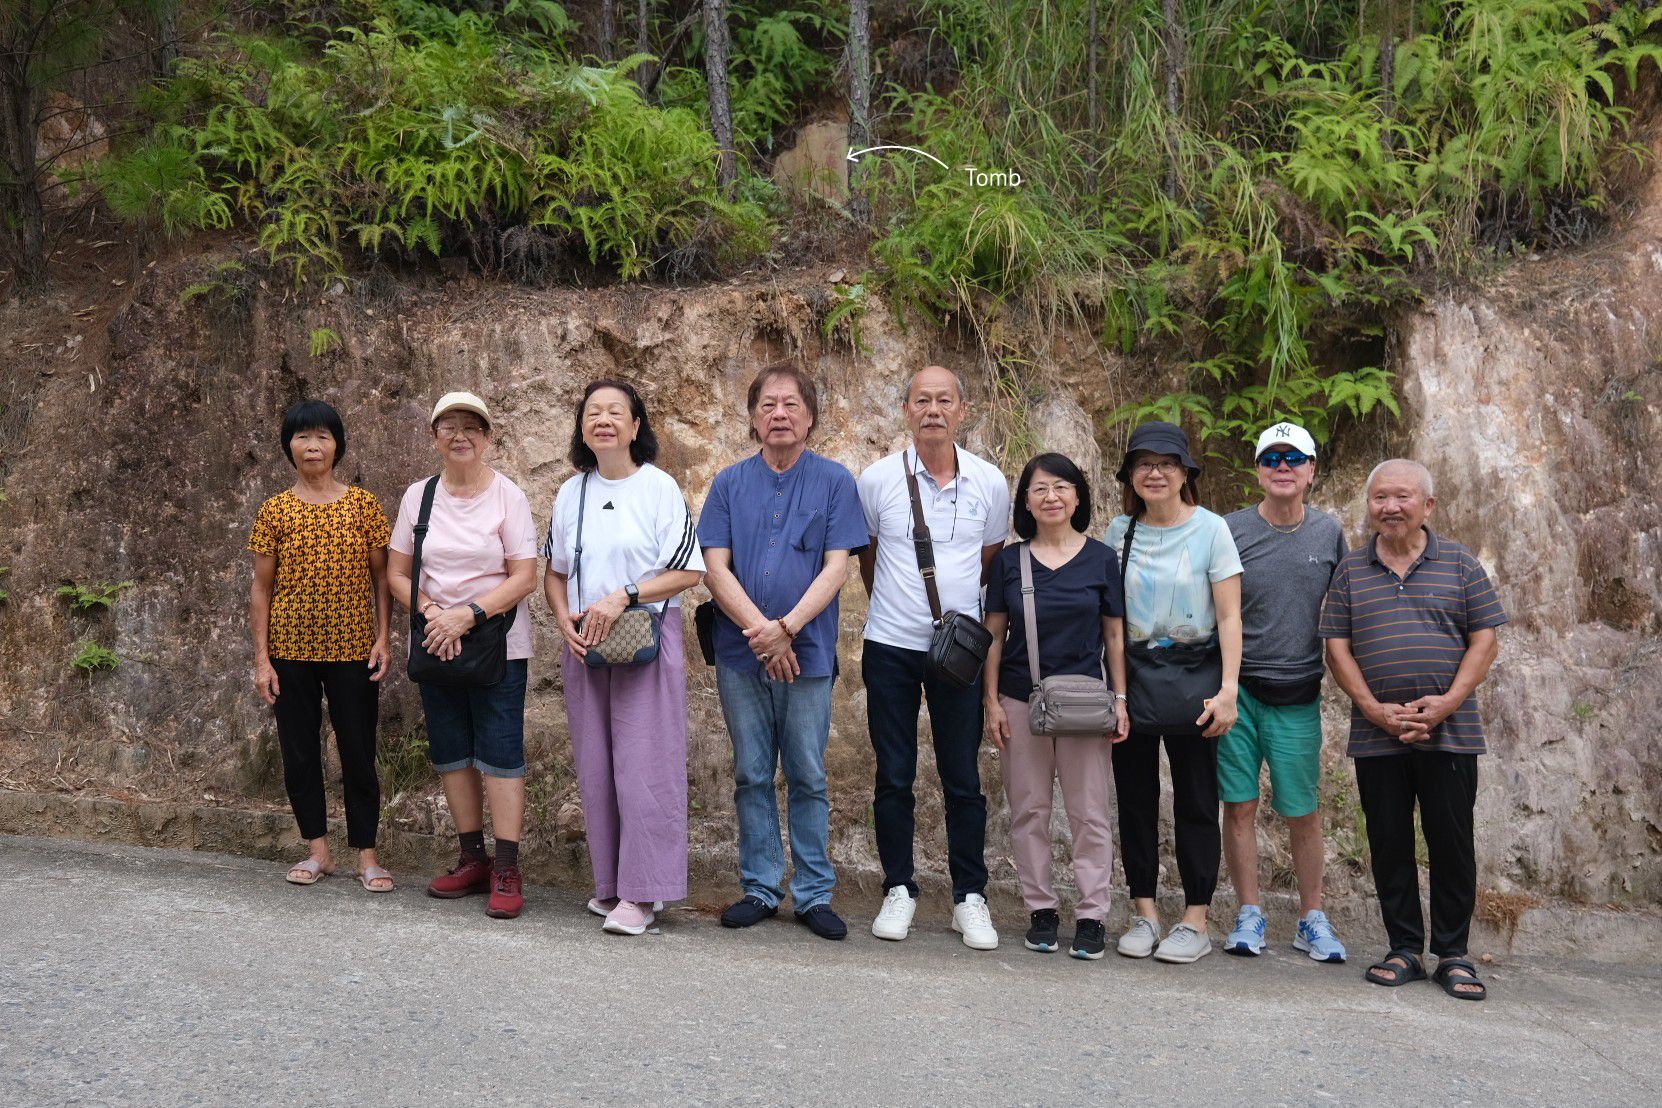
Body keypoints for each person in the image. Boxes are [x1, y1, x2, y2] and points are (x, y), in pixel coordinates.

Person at [1321, 459, 1505, 1001]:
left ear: (1428, 505)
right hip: (1377, 733)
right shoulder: (1351, 570)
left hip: (1451, 731)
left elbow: (1485, 640)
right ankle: (1404, 948)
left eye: (1402, 497)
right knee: (1389, 843)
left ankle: (1453, 954)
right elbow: (1337, 647)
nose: (1390, 507)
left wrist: (1447, 702)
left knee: (1452, 843)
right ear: (1369, 505)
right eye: (1379, 497)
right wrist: (1373, 708)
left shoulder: (1461, 564)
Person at [698, 363, 867, 941]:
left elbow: (838, 566)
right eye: (767, 405)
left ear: (810, 416)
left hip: (809, 652)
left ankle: (814, 893)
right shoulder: (727, 484)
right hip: (741, 654)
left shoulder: (835, 481)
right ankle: (761, 887)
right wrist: (762, 634)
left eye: (791, 405)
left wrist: (788, 629)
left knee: (808, 773)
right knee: (750, 772)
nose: (779, 414)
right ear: (751, 417)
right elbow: (714, 569)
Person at [857, 365, 1011, 950]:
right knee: (893, 774)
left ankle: (970, 895)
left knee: (962, 776)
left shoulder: (990, 482)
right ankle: (899, 887)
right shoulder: (877, 481)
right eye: (922, 400)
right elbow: (869, 559)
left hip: (962, 653)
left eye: (945, 400)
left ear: (962, 409)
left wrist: (957, 624)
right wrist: (900, 613)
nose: (933, 410)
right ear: (905, 410)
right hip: (891, 644)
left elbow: (990, 561)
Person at [543, 379, 704, 937]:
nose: (603, 420)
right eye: (593, 412)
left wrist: (626, 594)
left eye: (617, 411)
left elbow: (689, 570)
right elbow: (556, 569)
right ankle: (610, 884)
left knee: (645, 768)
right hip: (586, 641)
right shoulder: (572, 493)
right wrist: (563, 616)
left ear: (637, 426)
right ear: (582, 427)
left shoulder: (660, 488)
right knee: (597, 766)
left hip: (646, 636)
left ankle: (643, 894)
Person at [387, 392, 539, 919]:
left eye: (472, 426)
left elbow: (525, 575)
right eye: (448, 426)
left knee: (500, 754)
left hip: (497, 643)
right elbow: (397, 573)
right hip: (436, 638)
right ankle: (471, 857)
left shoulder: (508, 497)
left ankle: (506, 866)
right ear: (435, 438)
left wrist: (466, 615)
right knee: (452, 750)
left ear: (488, 436)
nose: (460, 435)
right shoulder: (418, 497)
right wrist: (434, 613)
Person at [981, 453, 1129, 960]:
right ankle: (1041, 910)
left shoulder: (1101, 559)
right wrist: (992, 701)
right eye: (1040, 488)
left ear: (1078, 498)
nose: (1052, 497)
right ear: (1025, 501)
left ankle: (1092, 916)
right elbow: (994, 635)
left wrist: (1121, 699)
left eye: (1062, 487)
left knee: (1089, 814)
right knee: (1029, 811)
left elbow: (1114, 634)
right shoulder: (1009, 561)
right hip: (1022, 700)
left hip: (1086, 704)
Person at [1106, 420, 1242, 964]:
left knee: (1196, 801)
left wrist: (1229, 689)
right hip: (1134, 682)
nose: (1155, 472)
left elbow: (1230, 615)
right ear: (1130, 475)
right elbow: (1111, 618)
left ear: (1186, 472)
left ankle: (1196, 918)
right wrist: (1115, 694)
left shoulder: (1212, 530)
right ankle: (1144, 912)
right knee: (1135, 800)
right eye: (1144, 463)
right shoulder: (1120, 531)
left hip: (1197, 682)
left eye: (1167, 463)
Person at [248, 399, 393, 891]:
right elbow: (262, 588)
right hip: (291, 653)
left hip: (354, 649)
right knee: (300, 752)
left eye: (323, 436)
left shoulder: (363, 506)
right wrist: (262, 658)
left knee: (358, 750)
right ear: (289, 446)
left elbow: (382, 579)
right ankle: (317, 851)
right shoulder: (274, 511)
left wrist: (383, 637)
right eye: (303, 437)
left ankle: (367, 856)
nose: (313, 445)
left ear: (338, 445)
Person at [1220, 423, 1350, 962]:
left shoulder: (1329, 534)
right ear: (1257, 469)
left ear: (1311, 470)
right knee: (1240, 806)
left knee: (1303, 809)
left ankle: (1310, 917)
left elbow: (1347, 611)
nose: (1282, 466)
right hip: (1239, 690)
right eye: (1271, 457)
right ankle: (1249, 912)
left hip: (1298, 690)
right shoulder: (1229, 530)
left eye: (1294, 457)